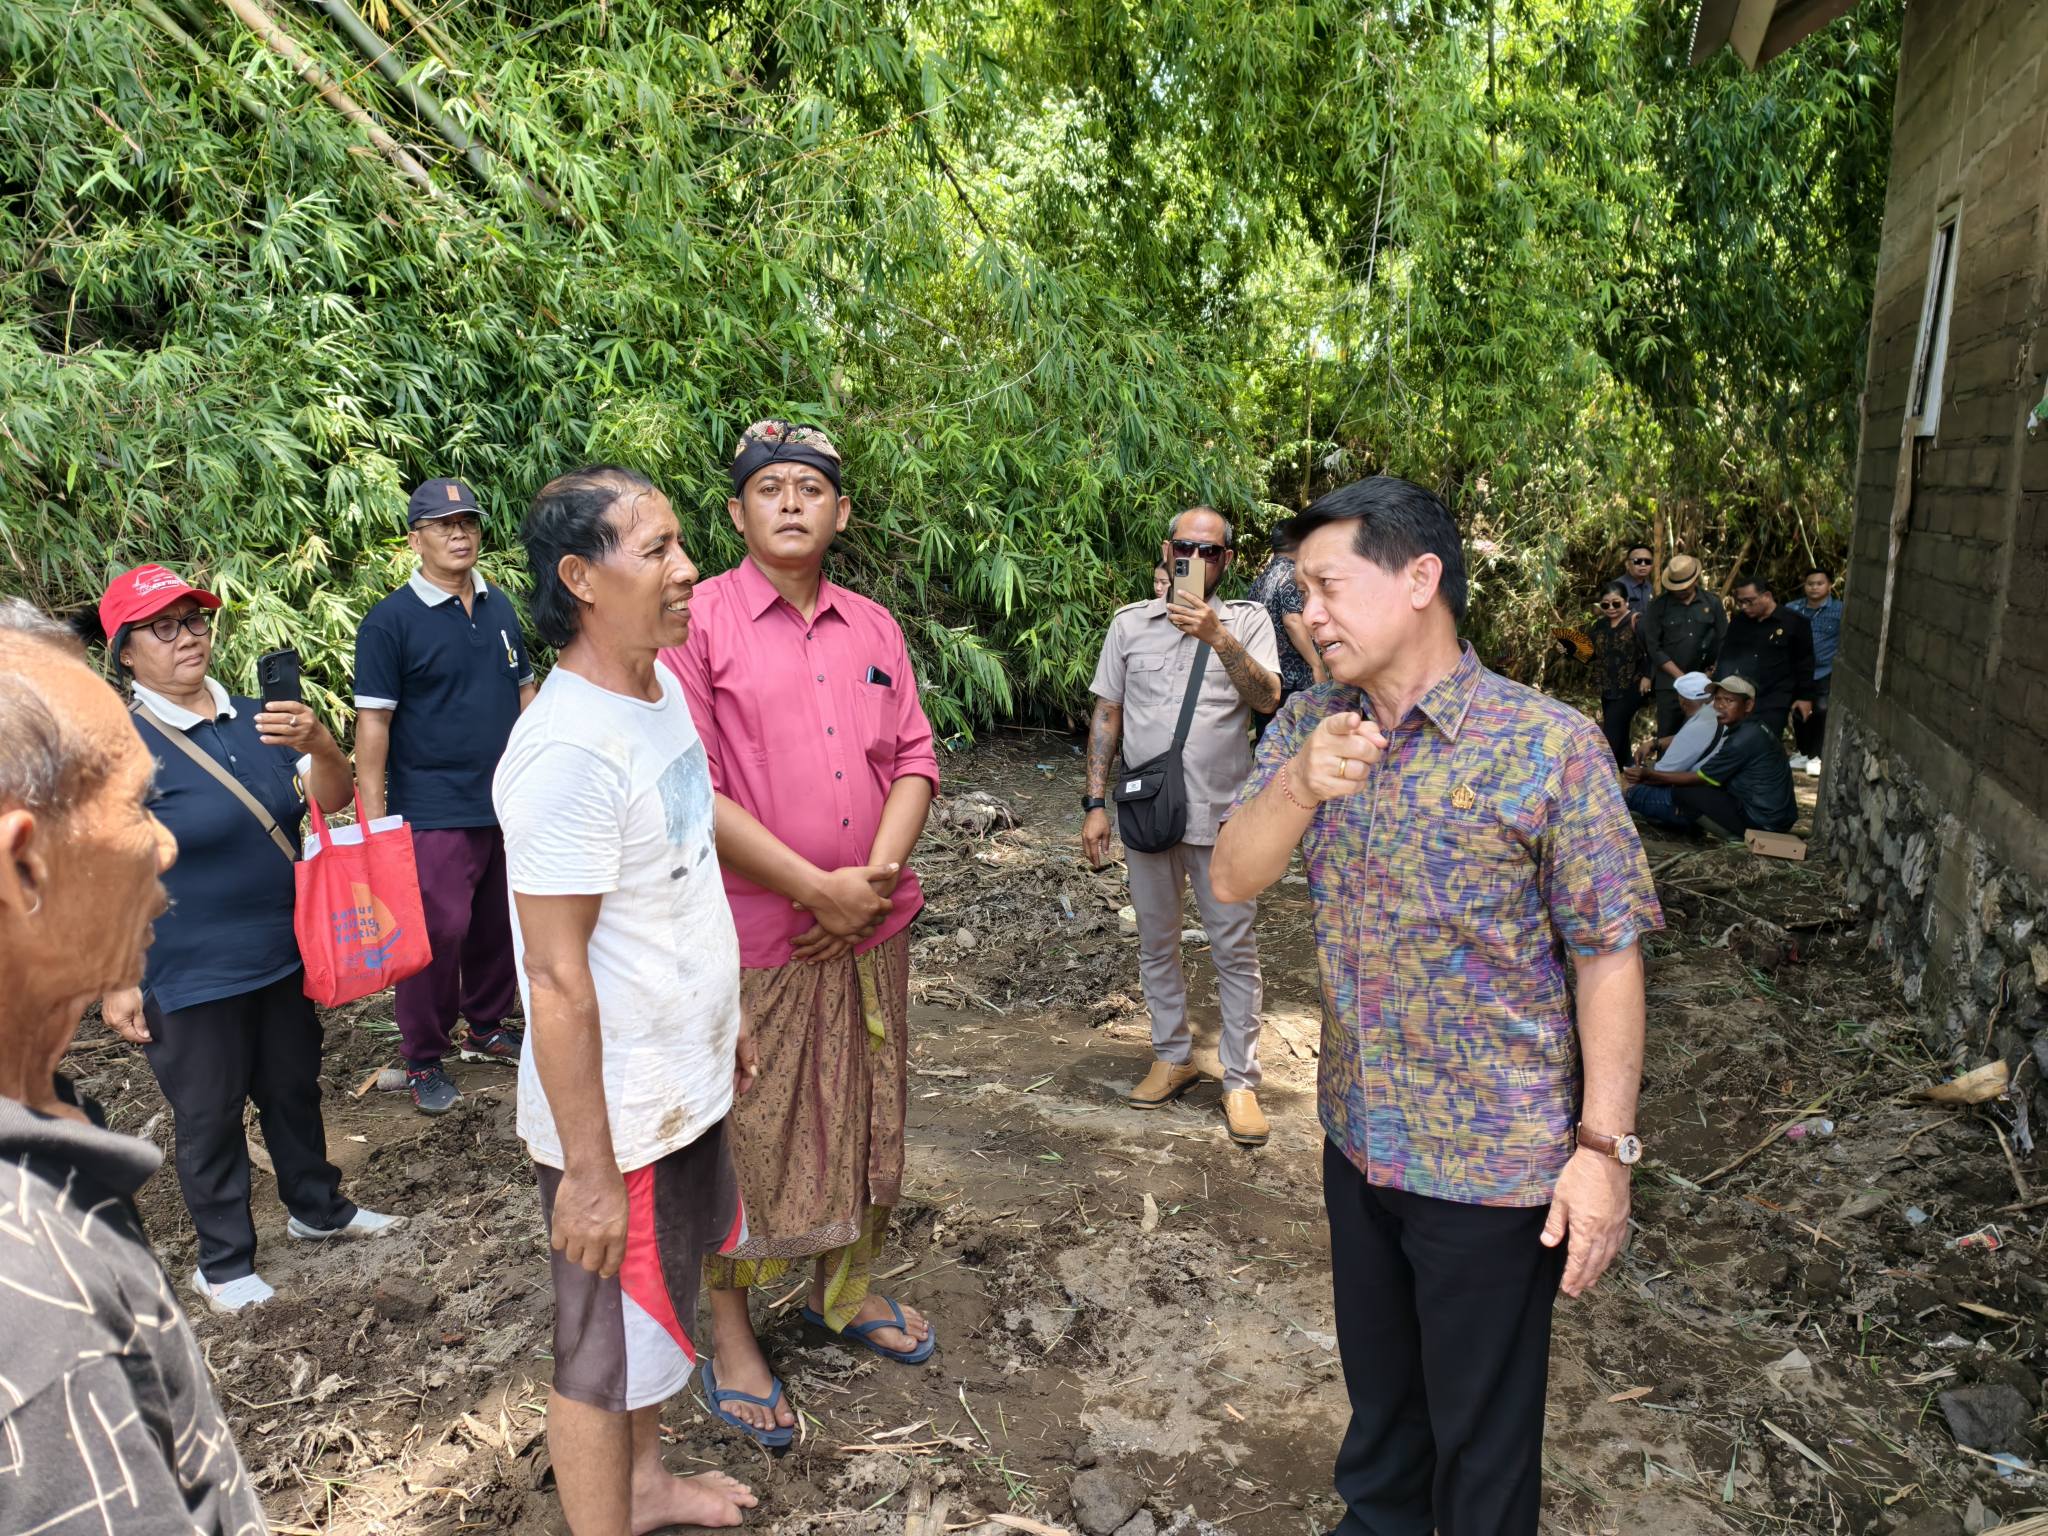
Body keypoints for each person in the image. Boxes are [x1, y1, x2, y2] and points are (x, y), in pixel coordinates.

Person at [1210, 476, 1659, 1536]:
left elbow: (1608, 958)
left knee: (1480, 1443)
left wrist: (1601, 1151)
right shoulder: (1312, 728)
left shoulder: (1546, 747)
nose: (1304, 614)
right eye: (1298, 591)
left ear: (1419, 579)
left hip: (1491, 1170)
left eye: (1324, 586)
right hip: (1357, 1141)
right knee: (1383, 1415)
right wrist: (1297, 786)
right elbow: (1231, 877)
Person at [663, 420, 940, 1449]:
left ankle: (845, 1287)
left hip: (868, 931)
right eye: (768, 488)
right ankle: (731, 1334)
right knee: (753, 1135)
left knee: (864, 1113)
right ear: (735, 514)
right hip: (757, 940)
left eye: (809, 488)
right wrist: (815, 891)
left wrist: (865, 887)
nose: (789, 502)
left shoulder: (874, 625)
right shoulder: (694, 628)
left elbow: (912, 758)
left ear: (840, 512)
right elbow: (694, 786)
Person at [495, 466, 758, 1533]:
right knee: (599, 1355)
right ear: (580, 578)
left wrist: (722, 1024)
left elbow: (684, 866)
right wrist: (590, 1173)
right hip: (615, 1122)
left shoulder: (658, 688)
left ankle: (645, 1487)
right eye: (654, 550)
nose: (687, 568)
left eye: (679, 543)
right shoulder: (563, 753)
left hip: (677, 1079)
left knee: (658, 1317)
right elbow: (554, 977)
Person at [0, 598, 270, 1533]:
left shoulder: (51, 1139)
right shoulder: (34, 1305)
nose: (163, 842)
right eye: (135, 806)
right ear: (21, 870)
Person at [94, 565, 397, 1314]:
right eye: (161, 627)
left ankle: (317, 1208)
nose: (186, 638)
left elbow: (331, 799)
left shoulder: (262, 717)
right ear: (125, 652)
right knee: (210, 1113)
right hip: (185, 966)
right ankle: (224, 1264)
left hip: (282, 948)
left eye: (194, 621)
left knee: (293, 1088)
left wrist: (325, 744)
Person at [1083, 507, 1282, 1148]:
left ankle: (1241, 1081)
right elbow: (1107, 714)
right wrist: (1092, 803)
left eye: (1211, 550)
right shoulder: (1129, 626)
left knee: (1233, 948)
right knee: (1156, 942)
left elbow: (1268, 699)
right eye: (1185, 546)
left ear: (1226, 560)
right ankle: (1173, 1054)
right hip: (1149, 812)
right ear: (1167, 552)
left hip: (1224, 817)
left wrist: (1218, 637)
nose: (1196, 557)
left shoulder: (1249, 621)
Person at [355, 477, 537, 1116]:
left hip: (504, 799)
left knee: (496, 922)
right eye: (442, 525)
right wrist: (372, 819)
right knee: (439, 930)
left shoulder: (499, 607)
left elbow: (525, 696)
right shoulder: (389, 623)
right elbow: (373, 723)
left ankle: (485, 1025)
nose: (458, 535)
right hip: (431, 806)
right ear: (416, 539)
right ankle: (423, 1056)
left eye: (467, 523)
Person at [1625, 676, 1796, 839]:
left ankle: (1735, 837)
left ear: (1748, 705)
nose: (1721, 706)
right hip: (1774, 817)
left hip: (1762, 821)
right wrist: (1655, 746)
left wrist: (1649, 775)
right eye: (1718, 700)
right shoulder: (1753, 727)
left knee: (1683, 792)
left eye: (1729, 701)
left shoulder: (1742, 739)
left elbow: (1701, 778)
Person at [1246, 523, 1328, 733]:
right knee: (1298, 745)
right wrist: (1316, 665)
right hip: (1294, 680)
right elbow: (1292, 621)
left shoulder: (1261, 579)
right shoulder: (1292, 575)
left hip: (1265, 679)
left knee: (1270, 746)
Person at [1641, 554, 1727, 736]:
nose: (1680, 591)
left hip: (1706, 681)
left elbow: (1723, 640)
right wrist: (1683, 679)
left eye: (1684, 587)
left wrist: (1711, 672)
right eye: (1676, 587)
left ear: (1695, 580)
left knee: (1704, 733)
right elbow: (1654, 647)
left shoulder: (1712, 603)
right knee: (1668, 732)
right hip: (1670, 683)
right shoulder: (1658, 606)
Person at [1720, 575, 1815, 741]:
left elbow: (1805, 662)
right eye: (1740, 602)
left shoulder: (1795, 622)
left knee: (1764, 743)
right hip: (1741, 694)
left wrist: (1805, 697)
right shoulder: (1739, 622)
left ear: (1767, 596)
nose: (1744, 607)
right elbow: (1726, 657)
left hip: (1775, 696)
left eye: (1749, 601)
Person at [1590, 580, 1650, 767]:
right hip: (1607, 686)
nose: (1611, 608)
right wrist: (1568, 649)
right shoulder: (1599, 625)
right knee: (1620, 730)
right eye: (1605, 604)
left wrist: (1647, 676)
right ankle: (1626, 768)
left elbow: (1653, 650)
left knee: (1611, 732)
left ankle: (1601, 771)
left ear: (1626, 601)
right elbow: (1590, 655)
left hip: (1632, 685)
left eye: (1616, 603)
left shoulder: (1637, 622)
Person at [1788, 567, 1842, 774]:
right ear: (1804, 586)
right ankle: (1803, 752)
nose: (1814, 587)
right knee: (1799, 711)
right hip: (1798, 669)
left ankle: (1817, 755)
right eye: (1810, 583)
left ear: (1829, 585)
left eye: (1819, 583)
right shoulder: (1793, 608)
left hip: (1824, 670)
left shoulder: (1840, 610)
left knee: (1821, 710)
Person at [1636, 671, 1719, 775]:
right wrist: (1655, 743)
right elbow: (1686, 737)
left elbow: (1662, 772)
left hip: (1690, 787)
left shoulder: (1697, 726)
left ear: (1683, 702)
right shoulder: (1715, 710)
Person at [1619, 543, 1655, 616]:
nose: (1643, 564)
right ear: (1627, 564)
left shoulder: (1649, 587)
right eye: (1637, 561)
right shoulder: (1617, 587)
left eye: (1647, 561)